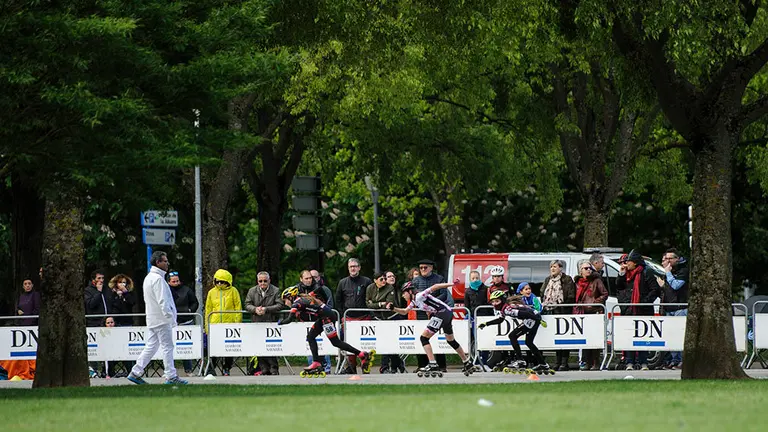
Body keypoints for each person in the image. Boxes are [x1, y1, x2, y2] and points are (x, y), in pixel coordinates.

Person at [279, 287, 373, 376]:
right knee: (311, 337)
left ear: (290, 297)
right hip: (324, 316)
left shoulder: (296, 303)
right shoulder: (304, 297)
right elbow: (321, 288)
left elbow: (289, 319)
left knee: (335, 342)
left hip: (326, 318)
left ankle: (361, 354)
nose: (285, 303)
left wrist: (280, 323)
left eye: (285, 300)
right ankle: (317, 362)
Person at [388, 282, 475, 376]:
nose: (402, 295)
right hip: (446, 313)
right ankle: (467, 362)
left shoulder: (419, 296)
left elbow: (435, 286)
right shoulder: (414, 302)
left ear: (409, 291)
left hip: (442, 313)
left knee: (424, 338)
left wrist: (452, 284)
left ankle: (433, 363)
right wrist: (393, 308)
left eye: (404, 292)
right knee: (451, 340)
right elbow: (405, 312)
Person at [127, 251, 187, 385]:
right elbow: (163, 302)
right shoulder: (158, 279)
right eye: (165, 261)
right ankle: (171, 376)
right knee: (167, 347)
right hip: (161, 319)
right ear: (158, 262)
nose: (167, 263)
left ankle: (136, 372)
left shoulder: (149, 278)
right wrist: (170, 319)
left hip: (153, 318)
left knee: (151, 346)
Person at [478, 291, 551, 373]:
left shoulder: (507, 309)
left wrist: (538, 320)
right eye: (493, 302)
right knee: (529, 342)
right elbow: (500, 320)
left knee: (512, 336)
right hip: (533, 317)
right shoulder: (505, 308)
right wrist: (486, 324)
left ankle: (520, 361)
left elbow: (526, 313)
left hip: (532, 318)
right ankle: (543, 364)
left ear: (502, 300)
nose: (494, 304)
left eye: (497, 301)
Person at [616, 250, 660, 371]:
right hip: (629, 310)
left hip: (643, 310)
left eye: (628, 262)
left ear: (635, 263)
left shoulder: (646, 272)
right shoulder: (626, 274)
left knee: (643, 337)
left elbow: (655, 290)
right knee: (629, 336)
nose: (626, 264)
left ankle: (643, 362)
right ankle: (629, 362)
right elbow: (619, 287)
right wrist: (621, 274)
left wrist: (645, 301)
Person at [411, 259, 451, 371]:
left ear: (431, 268)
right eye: (421, 267)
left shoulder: (439, 279)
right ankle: (422, 365)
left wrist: (432, 307)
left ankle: (442, 365)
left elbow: (444, 295)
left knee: (438, 338)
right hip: (421, 313)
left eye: (425, 267)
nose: (423, 269)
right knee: (423, 338)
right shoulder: (416, 281)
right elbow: (413, 296)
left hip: (437, 312)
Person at [335, 258, 372, 373]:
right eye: (351, 266)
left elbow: (371, 298)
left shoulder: (367, 281)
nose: (353, 268)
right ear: (348, 268)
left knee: (365, 343)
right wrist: (342, 316)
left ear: (359, 268)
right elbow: (338, 301)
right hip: (348, 318)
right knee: (350, 344)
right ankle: (351, 368)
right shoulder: (342, 282)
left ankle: (366, 366)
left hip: (364, 317)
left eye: (355, 266)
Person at [204, 269, 242, 376]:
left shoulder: (233, 291)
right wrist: (207, 327)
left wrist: (237, 323)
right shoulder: (211, 292)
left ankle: (227, 368)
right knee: (214, 347)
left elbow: (238, 307)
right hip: (215, 324)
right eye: (217, 281)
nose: (219, 284)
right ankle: (212, 368)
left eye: (222, 281)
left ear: (228, 281)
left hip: (229, 324)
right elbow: (208, 310)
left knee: (229, 348)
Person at [245, 271, 284, 375]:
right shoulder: (252, 291)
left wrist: (266, 309)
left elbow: (280, 305)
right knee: (259, 346)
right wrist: (255, 309)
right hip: (257, 322)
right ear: (257, 281)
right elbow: (247, 304)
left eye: (265, 281)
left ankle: (274, 368)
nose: (262, 283)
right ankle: (264, 369)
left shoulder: (276, 290)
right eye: (260, 281)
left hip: (270, 322)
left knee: (271, 346)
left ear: (269, 281)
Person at [656, 248, 689, 369]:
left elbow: (676, 286)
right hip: (669, 307)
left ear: (677, 259)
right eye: (666, 258)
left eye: (670, 258)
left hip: (680, 307)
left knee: (679, 334)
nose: (668, 261)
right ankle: (674, 360)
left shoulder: (683, 271)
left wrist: (668, 274)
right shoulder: (668, 271)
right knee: (671, 336)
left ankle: (681, 360)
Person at [573, 261, 608, 370]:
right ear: (580, 270)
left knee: (595, 339)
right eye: (586, 268)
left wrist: (595, 302)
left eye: (590, 268)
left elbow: (604, 294)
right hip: (583, 313)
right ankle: (586, 362)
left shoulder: (597, 280)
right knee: (586, 339)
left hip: (594, 312)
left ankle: (596, 363)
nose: (588, 270)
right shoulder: (578, 282)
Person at [541, 260, 576, 371]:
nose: (552, 269)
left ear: (561, 268)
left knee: (564, 337)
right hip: (551, 312)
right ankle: (557, 361)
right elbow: (542, 293)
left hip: (564, 311)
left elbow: (571, 295)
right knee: (555, 337)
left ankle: (564, 362)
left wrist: (561, 303)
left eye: (555, 266)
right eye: (551, 266)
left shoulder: (567, 279)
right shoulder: (548, 280)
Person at [366, 271, 398, 373]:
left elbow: (389, 304)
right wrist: (380, 304)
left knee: (389, 342)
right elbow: (368, 303)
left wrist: (375, 304)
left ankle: (387, 367)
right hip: (378, 318)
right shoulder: (370, 288)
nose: (384, 280)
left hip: (391, 317)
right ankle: (397, 364)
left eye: (385, 278)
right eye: (381, 279)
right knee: (384, 342)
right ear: (375, 281)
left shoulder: (389, 288)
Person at [169, 271, 200, 375]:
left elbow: (195, 302)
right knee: (169, 347)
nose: (176, 283)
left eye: (177, 281)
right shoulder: (166, 291)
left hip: (186, 322)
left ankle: (188, 370)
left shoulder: (186, 290)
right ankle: (169, 370)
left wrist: (190, 311)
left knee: (186, 347)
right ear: (169, 282)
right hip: (171, 323)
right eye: (173, 281)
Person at [463, 270, 489, 368]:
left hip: (484, 317)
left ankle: (485, 361)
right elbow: (467, 306)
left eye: (477, 278)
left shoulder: (486, 289)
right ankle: (476, 361)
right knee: (476, 339)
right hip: (474, 318)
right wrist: (468, 316)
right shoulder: (468, 291)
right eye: (473, 278)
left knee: (485, 339)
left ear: (480, 278)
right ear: (470, 279)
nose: (475, 280)